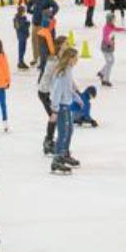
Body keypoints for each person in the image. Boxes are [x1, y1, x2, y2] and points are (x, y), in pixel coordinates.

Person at [49, 43, 80, 174]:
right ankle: (56, 159)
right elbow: (56, 92)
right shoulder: (62, 72)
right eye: (75, 58)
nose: (77, 60)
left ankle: (64, 154)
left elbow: (68, 88)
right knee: (63, 132)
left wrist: (76, 96)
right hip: (61, 107)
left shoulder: (68, 70)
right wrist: (55, 110)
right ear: (70, 58)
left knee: (69, 130)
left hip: (67, 105)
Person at [98, 12, 126, 88]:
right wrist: (109, 43)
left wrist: (123, 30)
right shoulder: (106, 27)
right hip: (106, 47)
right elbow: (105, 37)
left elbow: (116, 29)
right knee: (109, 63)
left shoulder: (111, 26)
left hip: (109, 47)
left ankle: (102, 72)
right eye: (113, 19)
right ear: (110, 20)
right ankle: (105, 80)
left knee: (111, 62)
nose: (115, 20)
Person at [13, 5, 30, 70]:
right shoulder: (16, 19)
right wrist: (27, 24)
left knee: (23, 49)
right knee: (21, 49)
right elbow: (18, 27)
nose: (24, 12)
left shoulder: (24, 17)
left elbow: (25, 26)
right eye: (23, 11)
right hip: (21, 36)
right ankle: (20, 62)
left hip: (24, 35)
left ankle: (21, 61)